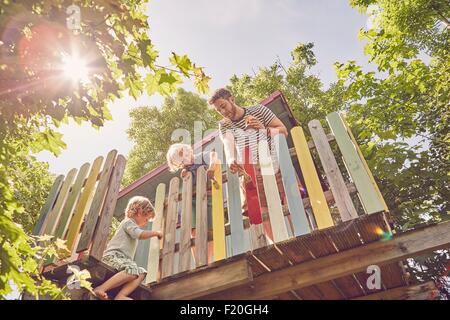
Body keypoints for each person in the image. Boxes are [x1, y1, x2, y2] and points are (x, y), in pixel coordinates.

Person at [208, 88, 289, 241]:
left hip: (273, 164)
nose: (222, 112)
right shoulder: (224, 125)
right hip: (250, 171)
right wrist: (231, 158)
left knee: (287, 202)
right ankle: (277, 245)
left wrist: (264, 130)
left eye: (223, 106)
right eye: (218, 110)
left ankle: (296, 238)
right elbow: (228, 143)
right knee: (261, 209)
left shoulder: (258, 110)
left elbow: (283, 131)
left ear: (232, 99)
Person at [93, 196, 162, 300]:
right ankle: (101, 288)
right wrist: (156, 233)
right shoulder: (128, 222)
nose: (146, 222)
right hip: (113, 257)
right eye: (146, 218)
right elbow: (139, 234)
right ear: (139, 211)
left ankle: (121, 296)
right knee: (133, 270)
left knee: (141, 272)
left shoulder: (131, 225)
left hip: (123, 260)